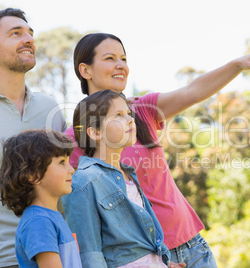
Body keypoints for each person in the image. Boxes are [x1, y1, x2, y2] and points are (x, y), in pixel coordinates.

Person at [65, 32, 250, 267]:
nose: (120, 66)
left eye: (124, 59)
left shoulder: (142, 109)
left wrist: (238, 65)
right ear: (85, 70)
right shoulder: (76, 137)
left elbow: (192, 91)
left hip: (192, 246)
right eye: (109, 58)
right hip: (144, 260)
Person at [0, 8, 67, 267]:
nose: (28, 39)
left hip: (57, 256)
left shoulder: (49, 106)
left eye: (30, 33)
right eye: (16, 33)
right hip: (0, 258)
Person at [61, 90, 185, 268]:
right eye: (118, 115)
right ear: (95, 132)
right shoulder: (83, 181)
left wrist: (163, 262)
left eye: (128, 113)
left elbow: (137, 244)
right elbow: (89, 254)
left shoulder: (129, 175)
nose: (130, 120)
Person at [0, 130, 82, 268]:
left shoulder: (51, 217)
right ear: (33, 175)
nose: (71, 170)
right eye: (62, 162)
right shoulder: (39, 222)